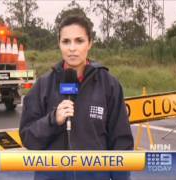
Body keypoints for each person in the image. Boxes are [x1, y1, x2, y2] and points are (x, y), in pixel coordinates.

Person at [20, 15, 134, 180]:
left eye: (79, 41)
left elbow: (121, 144)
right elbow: (28, 139)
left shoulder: (109, 85)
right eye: (66, 41)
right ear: (59, 44)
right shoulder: (43, 85)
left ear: (90, 43)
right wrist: (53, 120)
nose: (72, 48)